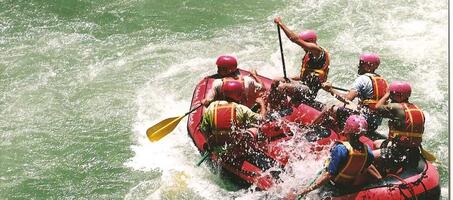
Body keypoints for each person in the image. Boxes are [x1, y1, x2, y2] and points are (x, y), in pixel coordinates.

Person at [286, 115, 381, 199]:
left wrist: (307, 190)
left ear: (346, 129)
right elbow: (368, 166)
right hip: (347, 187)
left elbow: (328, 175)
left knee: (295, 192)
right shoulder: (367, 150)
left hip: (331, 187)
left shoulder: (341, 149)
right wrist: (380, 181)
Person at [321, 53, 388, 134]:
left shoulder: (362, 79)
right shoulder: (384, 81)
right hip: (374, 124)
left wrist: (330, 90)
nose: (359, 66)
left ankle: (311, 127)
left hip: (363, 120)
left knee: (329, 106)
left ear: (369, 67)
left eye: (361, 64)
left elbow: (346, 99)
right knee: (342, 105)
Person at [273, 17, 330, 108]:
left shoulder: (317, 51)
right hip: (302, 85)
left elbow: (295, 39)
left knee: (282, 87)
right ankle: (271, 105)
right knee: (276, 80)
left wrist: (280, 24)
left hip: (309, 90)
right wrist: (288, 78)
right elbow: (304, 76)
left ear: (311, 42)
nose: (302, 46)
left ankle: (283, 109)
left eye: (304, 43)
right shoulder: (309, 54)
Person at [372, 81, 425, 175]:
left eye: (392, 94)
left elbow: (377, 107)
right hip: (413, 150)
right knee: (376, 143)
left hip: (398, 151)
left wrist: (386, 95)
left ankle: (380, 176)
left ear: (400, 96)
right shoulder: (417, 108)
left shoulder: (396, 107)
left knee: (370, 156)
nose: (391, 97)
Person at [200, 81, 267, 150]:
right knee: (255, 129)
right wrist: (262, 104)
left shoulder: (212, 106)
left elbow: (203, 128)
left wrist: (210, 143)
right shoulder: (241, 108)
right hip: (236, 149)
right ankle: (264, 149)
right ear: (238, 96)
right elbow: (262, 119)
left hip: (218, 149)